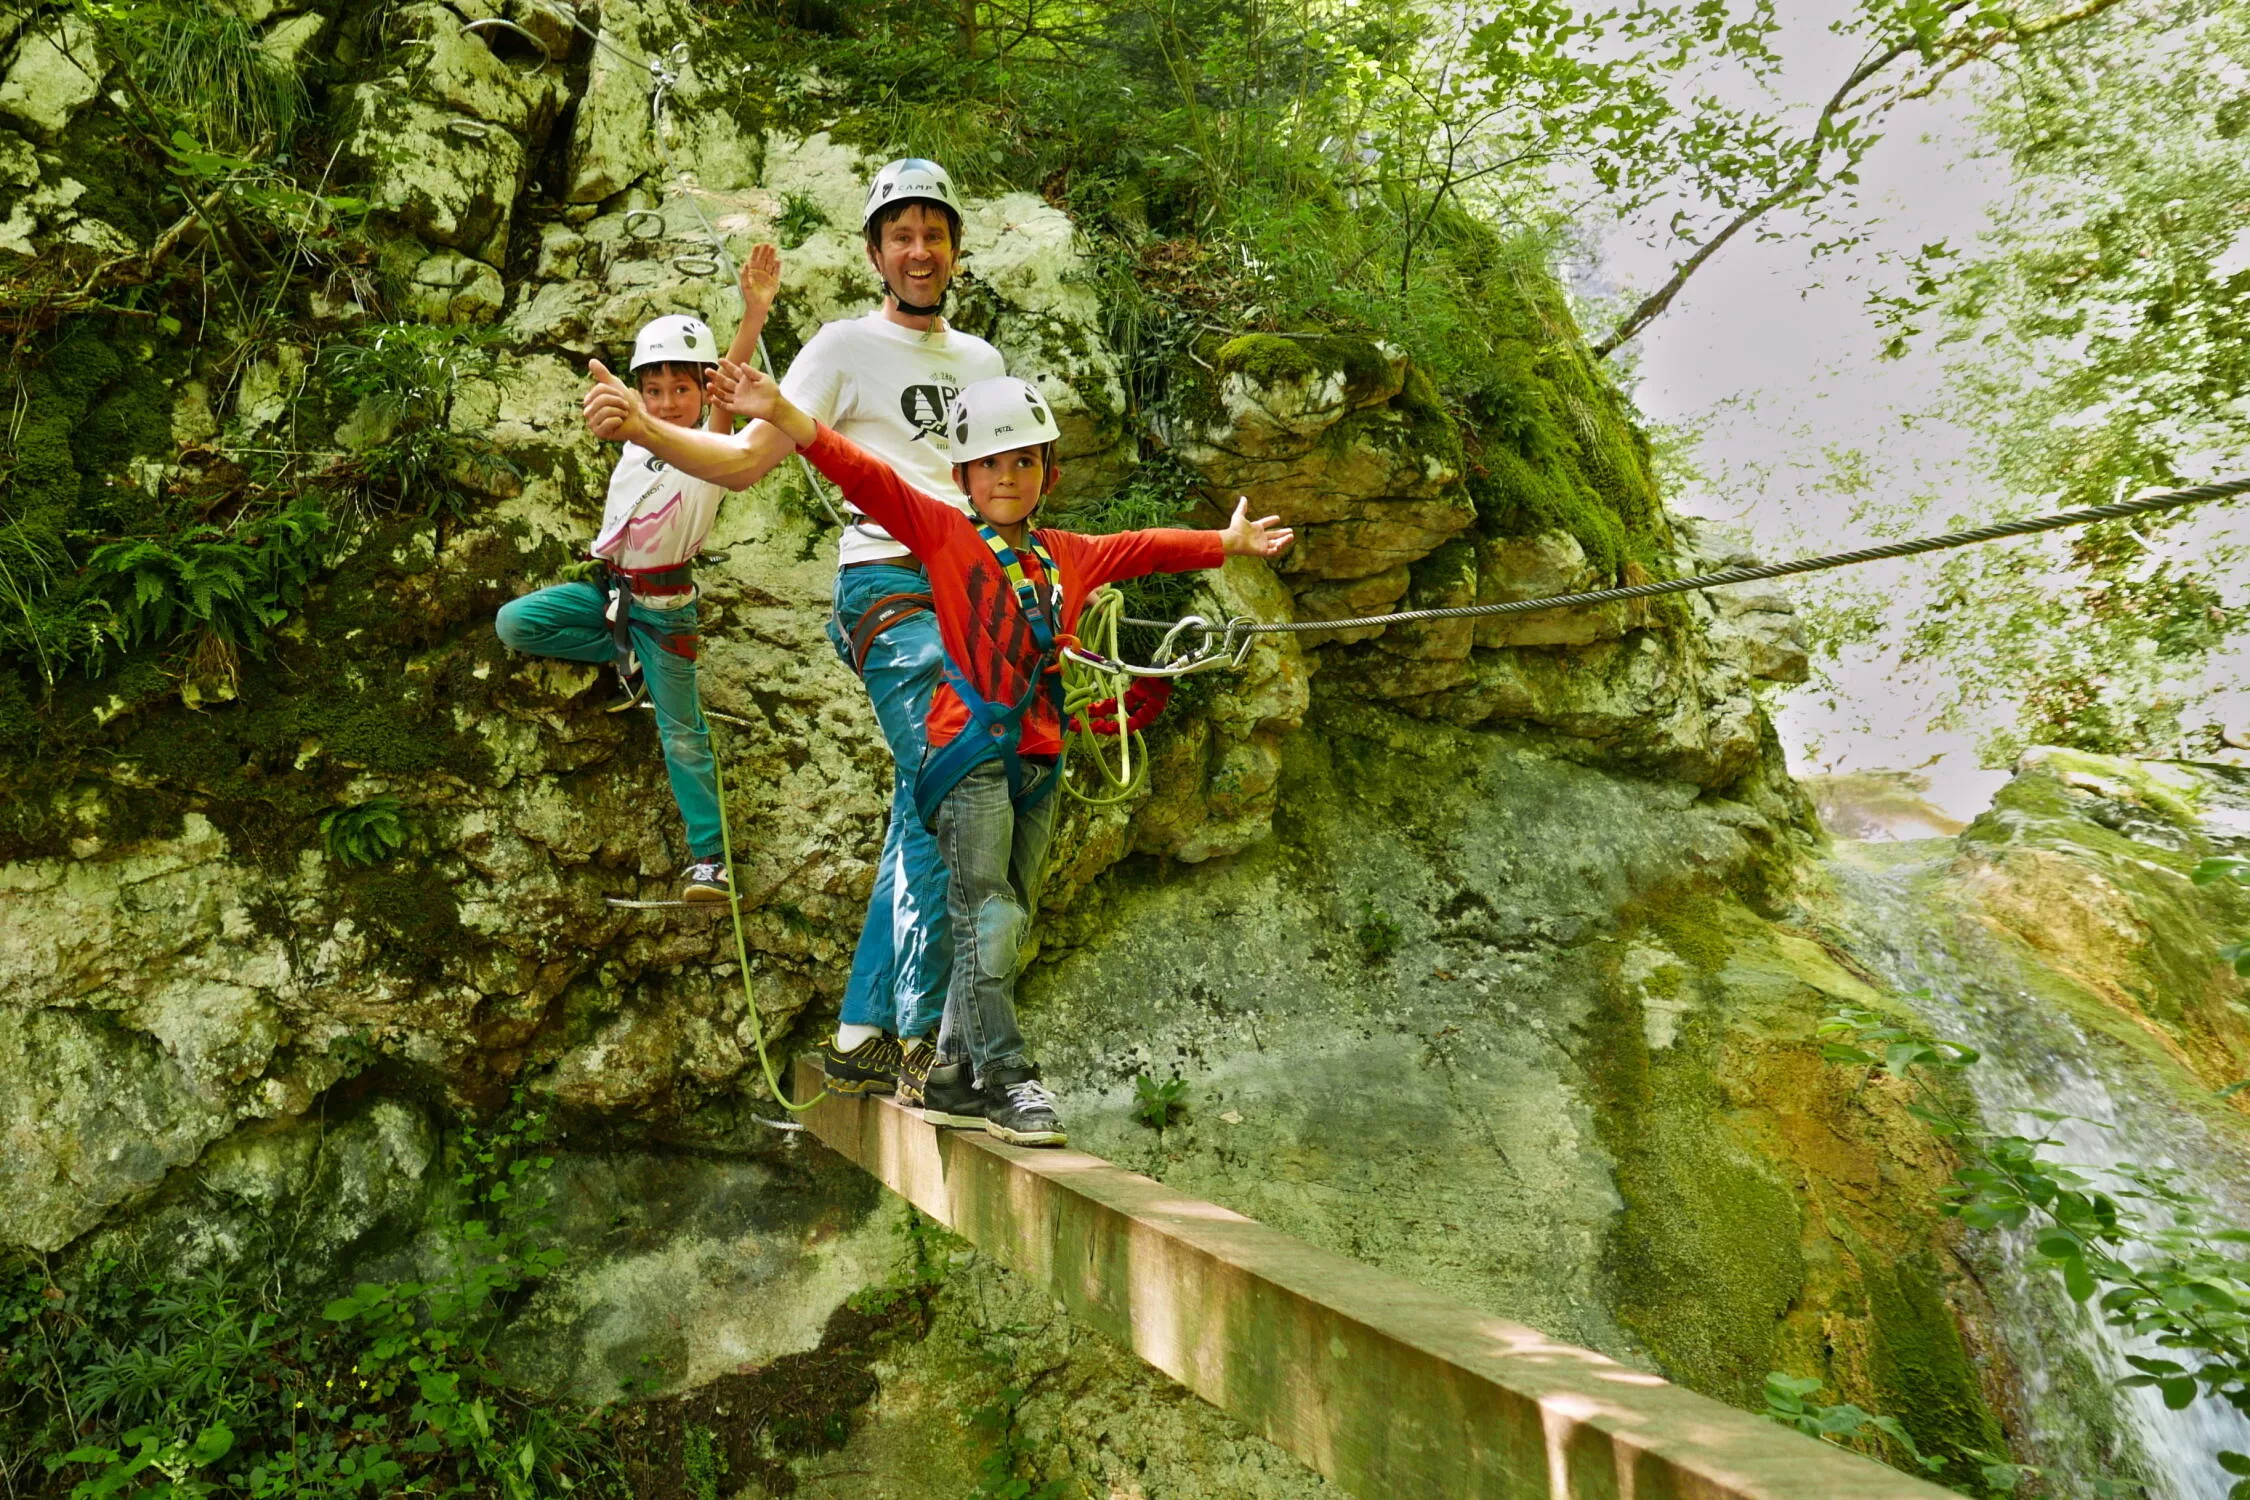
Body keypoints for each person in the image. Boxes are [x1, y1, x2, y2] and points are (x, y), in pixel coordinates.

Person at [703, 367, 1293, 1145]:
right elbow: (864, 473)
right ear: (962, 477)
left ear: (1047, 472)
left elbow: (1143, 549)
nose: (1007, 477)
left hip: (1039, 756)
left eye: (1023, 462)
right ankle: (1006, 1078)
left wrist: (1227, 543)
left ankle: (948, 1071)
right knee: (990, 912)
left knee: (1007, 914)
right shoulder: (944, 534)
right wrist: (781, 411)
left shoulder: (1066, 555)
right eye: (991, 463)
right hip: (967, 751)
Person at [579, 160, 1004, 1100]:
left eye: (935, 234)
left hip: (968, 590)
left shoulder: (982, 364)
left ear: (956, 250)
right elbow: (738, 461)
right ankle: (937, 1046)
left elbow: (993, 496)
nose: (920, 250)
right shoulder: (842, 348)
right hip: (887, 586)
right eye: (902, 235)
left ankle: (862, 1033)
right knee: (959, 769)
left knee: (919, 803)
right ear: (874, 253)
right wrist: (644, 430)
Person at [497, 246, 780, 902]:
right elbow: (633, 423)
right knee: (516, 622)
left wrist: (754, 313)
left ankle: (710, 859)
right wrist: (629, 410)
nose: (668, 401)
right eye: (654, 390)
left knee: (682, 735)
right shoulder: (638, 438)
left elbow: (728, 381)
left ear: (703, 391)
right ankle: (623, 657)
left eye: (682, 388)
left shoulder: (711, 448)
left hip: (666, 610)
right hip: (610, 594)